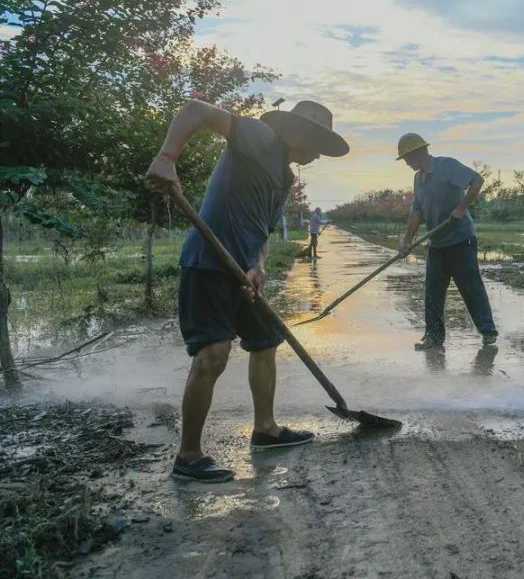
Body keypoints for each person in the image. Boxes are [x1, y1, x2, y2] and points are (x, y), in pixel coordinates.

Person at [146, 100, 349, 482]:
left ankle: (266, 430)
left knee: (265, 342)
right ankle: (188, 457)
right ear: (297, 131)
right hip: (208, 262)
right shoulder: (258, 136)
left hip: (243, 271)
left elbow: (263, 229)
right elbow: (194, 110)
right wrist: (167, 156)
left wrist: (259, 265)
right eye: (316, 141)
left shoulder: (286, 177)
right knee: (213, 355)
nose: (317, 154)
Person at [394, 133, 498, 350]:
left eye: (407, 157)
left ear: (419, 152)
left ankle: (488, 331)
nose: (405, 162)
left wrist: (461, 208)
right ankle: (433, 338)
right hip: (437, 243)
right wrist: (406, 241)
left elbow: (477, 180)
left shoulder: (446, 166)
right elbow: (417, 211)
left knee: (470, 288)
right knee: (432, 293)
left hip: (461, 240)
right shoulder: (418, 179)